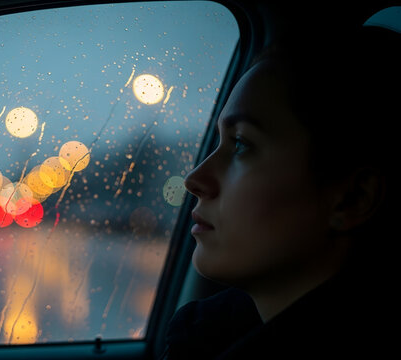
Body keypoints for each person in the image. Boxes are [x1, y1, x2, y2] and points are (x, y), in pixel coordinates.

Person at [164, 24, 400, 359]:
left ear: (353, 198)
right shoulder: (204, 334)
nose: (194, 179)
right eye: (220, 141)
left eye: (242, 144)